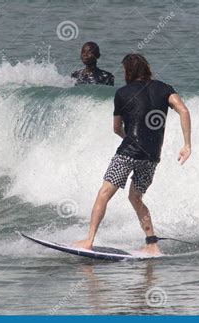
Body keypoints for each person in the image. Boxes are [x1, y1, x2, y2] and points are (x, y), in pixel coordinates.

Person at [75, 54, 192, 255]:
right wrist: (187, 145)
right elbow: (183, 110)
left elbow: (116, 128)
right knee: (136, 197)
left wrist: (129, 139)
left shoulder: (122, 93)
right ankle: (152, 243)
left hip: (128, 152)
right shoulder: (165, 89)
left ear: (128, 71)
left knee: (104, 194)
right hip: (152, 156)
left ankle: (89, 240)